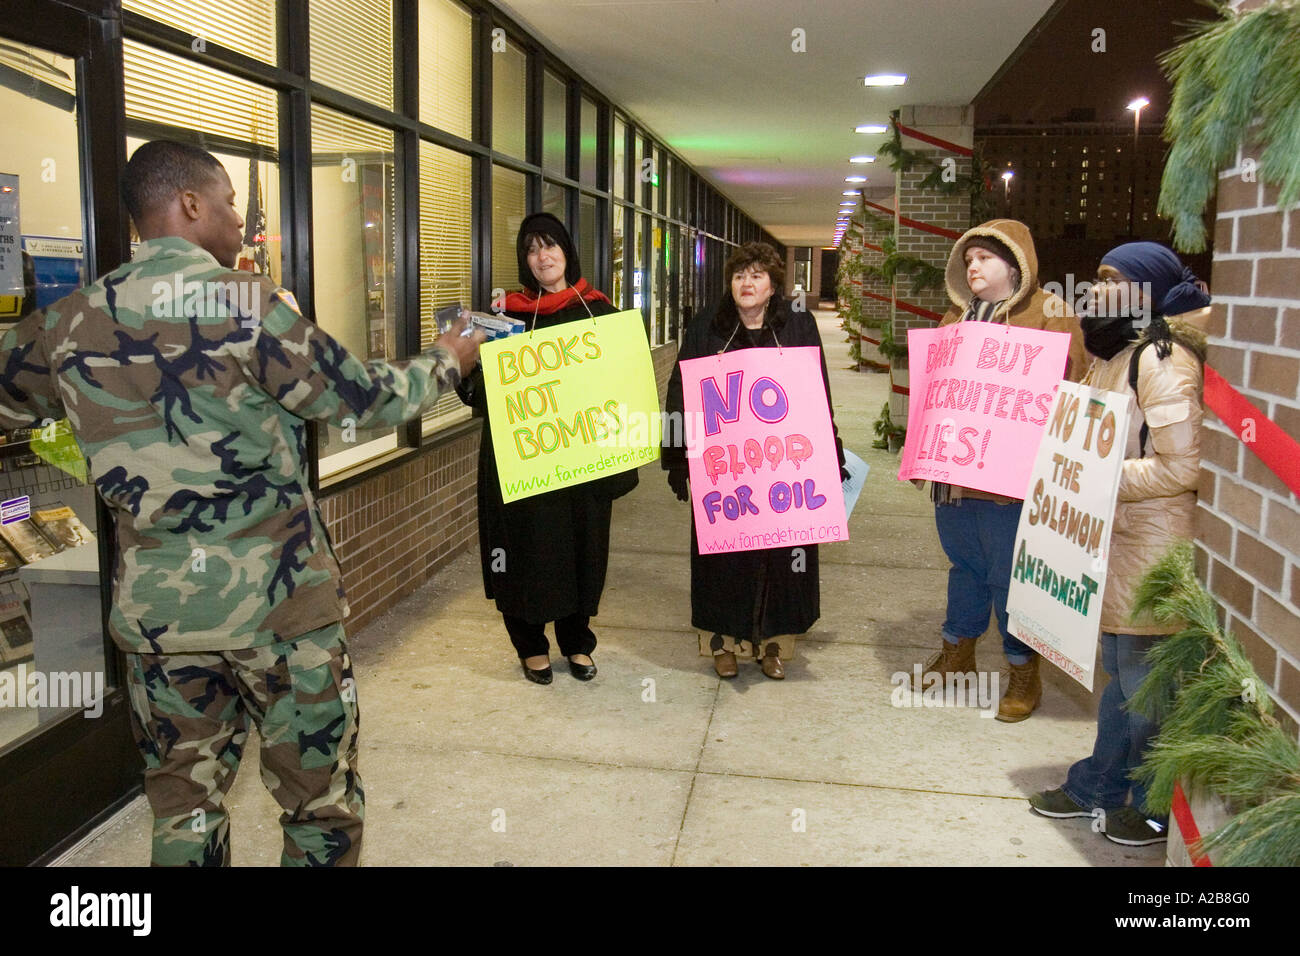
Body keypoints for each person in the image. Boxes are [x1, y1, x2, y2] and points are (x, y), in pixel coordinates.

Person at [0, 140, 485, 866]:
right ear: (189, 205)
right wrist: (451, 356)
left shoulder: (68, 320)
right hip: (281, 611)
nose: (240, 223)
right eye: (229, 204)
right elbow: (364, 401)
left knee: (184, 811)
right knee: (318, 809)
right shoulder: (245, 304)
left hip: (161, 623)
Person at [1030, 242, 1209, 846]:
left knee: (1143, 684)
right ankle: (1099, 787)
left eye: (1113, 279)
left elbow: (1182, 466)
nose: (1097, 289)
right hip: (1114, 540)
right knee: (1122, 673)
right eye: (1099, 276)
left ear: (1148, 290)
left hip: (1153, 544)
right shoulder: (1115, 352)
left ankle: (1156, 805)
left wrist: (1094, 475)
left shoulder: (1161, 360)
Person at [913, 220, 1085, 721]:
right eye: (968, 260)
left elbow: (1073, 389)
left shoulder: (1051, 315)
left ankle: (1022, 668)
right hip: (955, 477)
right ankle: (958, 648)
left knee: (1009, 576)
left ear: (1014, 264)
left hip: (1013, 480)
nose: (973, 267)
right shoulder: (954, 319)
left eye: (985, 258)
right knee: (963, 566)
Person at [457, 211, 630, 684]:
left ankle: (577, 642)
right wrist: (469, 359)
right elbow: (478, 392)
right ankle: (530, 645)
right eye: (532, 249)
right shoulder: (504, 317)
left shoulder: (598, 311)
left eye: (550, 245)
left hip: (582, 461)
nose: (542, 257)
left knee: (581, 549)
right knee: (525, 550)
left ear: (566, 251)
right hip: (522, 460)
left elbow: (621, 384)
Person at [662, 241, 845, 680]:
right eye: (740, 274)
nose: (747, 283)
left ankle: (773, 646)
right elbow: (679, 389)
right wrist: (675, 457)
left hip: (783, 470)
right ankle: (722, 643)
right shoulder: (708, 324)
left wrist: (829, 451)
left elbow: (816, 390)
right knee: (723, 559)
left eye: (757, 275)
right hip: (725, 472)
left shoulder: (797, 324)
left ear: (773, 284)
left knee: (782, 558)